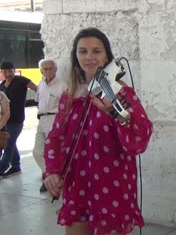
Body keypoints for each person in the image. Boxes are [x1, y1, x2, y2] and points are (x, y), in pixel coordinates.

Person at [43, 27, 153, 235]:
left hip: (111, 182)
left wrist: (117, 112)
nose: (90, 57)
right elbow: (55, 137)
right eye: (83, 51)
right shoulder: (69, 97)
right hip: (78, 182)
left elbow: (140, 138)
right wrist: (52, 170)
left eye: (96, 51)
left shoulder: (120, 92)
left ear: (107, 57)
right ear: (76, 57)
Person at [33, 59, 68, 192]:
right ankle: (49, 175)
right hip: (41, 119)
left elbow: (65, 106)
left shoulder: (62, 86)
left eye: (50, 68)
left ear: (55, 70)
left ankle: (52, 179)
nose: (47, 71)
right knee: (37, 151)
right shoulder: (41, 84)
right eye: (45, 69)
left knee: (52, 151)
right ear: (41, 71)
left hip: (54, 120)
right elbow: (37, 101)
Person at [0, 61, 38, 177]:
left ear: (14, 70)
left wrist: (40, 103)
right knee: (11, 143)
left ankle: (1, 169)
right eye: (5, 71)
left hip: (17, 119)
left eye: (10, 71)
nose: (7, 74)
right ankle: (16, 166)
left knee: (9, 144)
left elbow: (36, 88)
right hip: (5, 120)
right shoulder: (2, 85)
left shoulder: (21, 80)